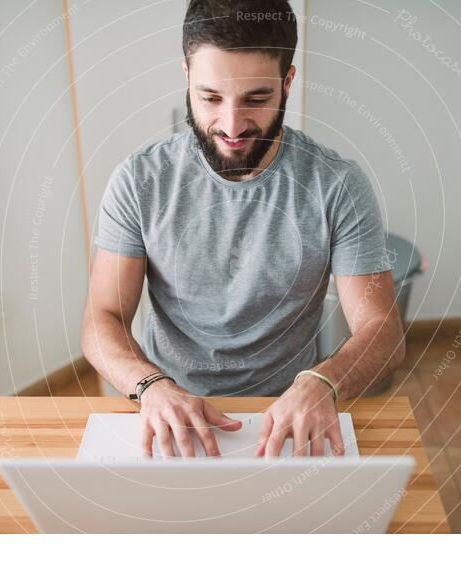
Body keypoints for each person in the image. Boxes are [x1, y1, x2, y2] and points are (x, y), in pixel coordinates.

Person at [81, 0, 405, 459]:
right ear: (187, 77)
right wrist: (150, 385)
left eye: (255, 99)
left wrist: (323, 382)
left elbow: (383, 331)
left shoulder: (337, 185)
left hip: (291, 409)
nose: (231, 126)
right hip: (166, 403)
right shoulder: (139, 181)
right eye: (210, 98)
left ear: (287, 83)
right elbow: (102, 317)